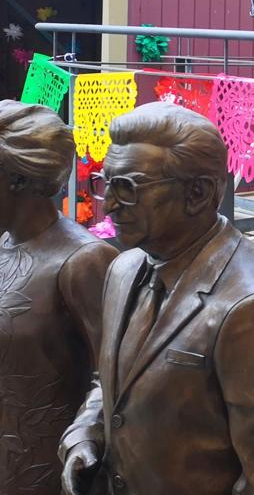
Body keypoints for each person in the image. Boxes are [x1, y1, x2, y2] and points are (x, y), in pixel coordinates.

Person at [59, 102, 254, 495]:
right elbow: (109, 381)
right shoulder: (123, 270)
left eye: (128, 188)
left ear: (197, 193)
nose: (109, 205)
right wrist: (85, 436)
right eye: (106, 183)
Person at [0, 101, 116, 494]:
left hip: (46, 471)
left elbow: (116, 373)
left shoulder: (84, 261)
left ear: (16, 179)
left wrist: (86, 439)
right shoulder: (3, 243)